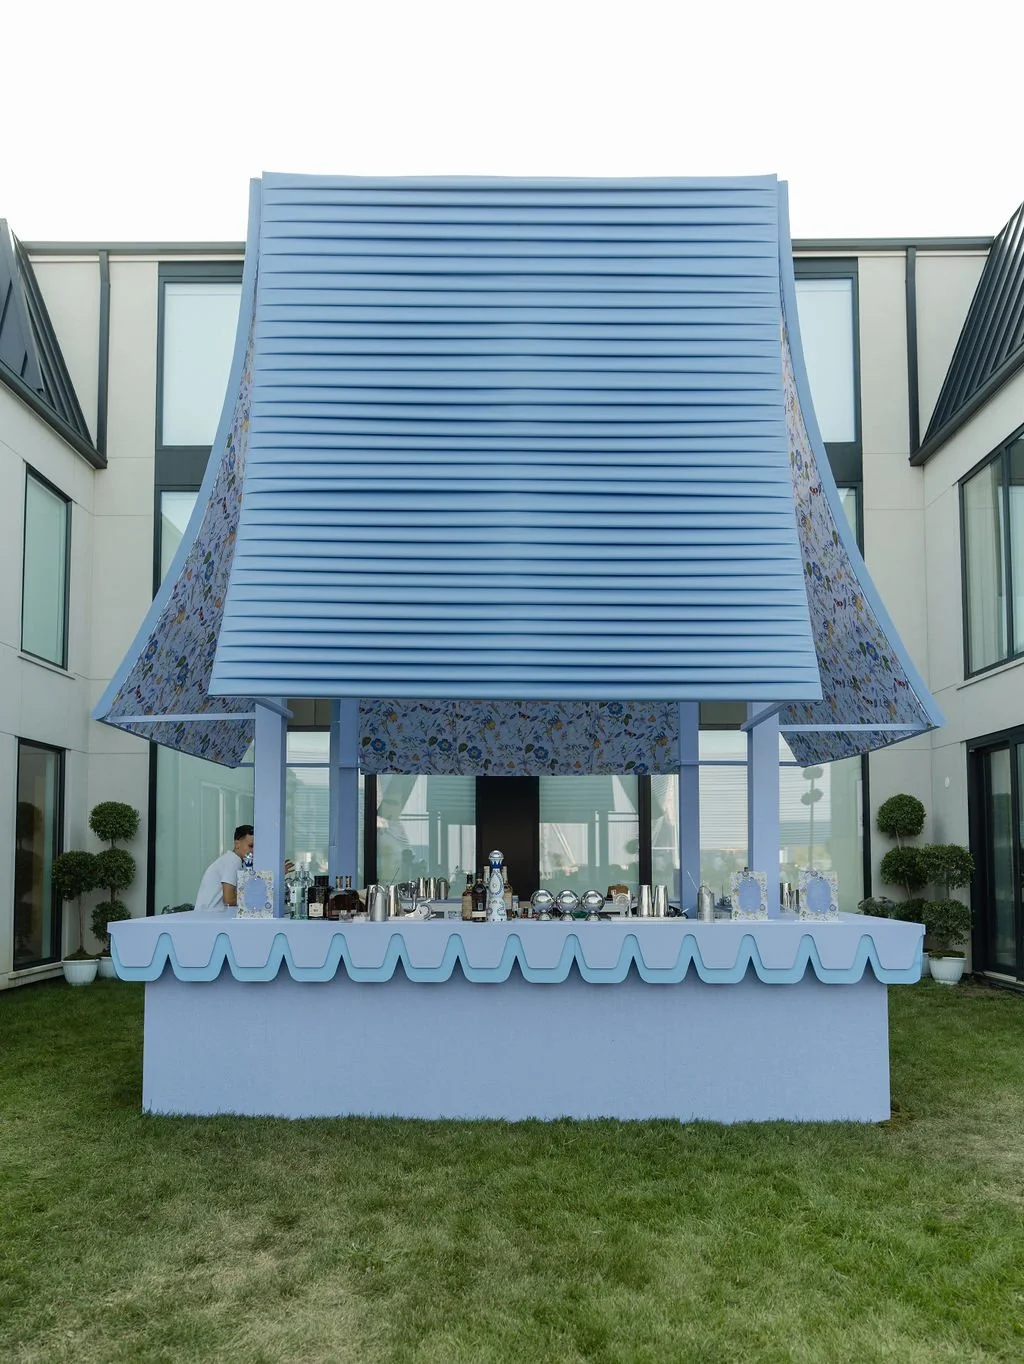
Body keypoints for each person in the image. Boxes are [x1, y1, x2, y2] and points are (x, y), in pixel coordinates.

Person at [193, 825, 254, 913]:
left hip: (206, 917)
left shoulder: (230, 860)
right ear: (237, 844)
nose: (253, 850)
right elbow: (229, 899)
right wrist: (254, 898)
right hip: (211, 918)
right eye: (251, 846)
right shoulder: (233, 861)